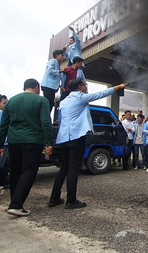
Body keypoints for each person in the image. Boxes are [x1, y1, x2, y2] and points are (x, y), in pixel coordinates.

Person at [48, 78, 126, 209]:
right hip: (76, 137)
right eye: (85, 85)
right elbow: (100, 94)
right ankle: (71, 201)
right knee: (73, 169)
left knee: (64, 168)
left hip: (63, 138)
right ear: (79, 87)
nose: (86, 87)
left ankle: (54, 198)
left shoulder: (64, 101)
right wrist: (118, 87)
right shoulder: (79, 97)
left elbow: (60, 120)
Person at [0, 79, 54, 216]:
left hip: (14, 141)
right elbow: (45, 122)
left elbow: (3, 125)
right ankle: (16, 204)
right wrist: (49, 143)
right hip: (33, 141)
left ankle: (14, 202)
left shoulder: (11, 101)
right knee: (29, 171)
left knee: (16, 171)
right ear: (37, 87)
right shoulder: (41, 101)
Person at [41, 49, 65, 115]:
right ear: (57, 56)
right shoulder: (52, 61)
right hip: (48, 86)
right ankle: (44, 118)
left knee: (51, 104)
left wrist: (60, 86)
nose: (63, 57)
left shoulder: (57, 64)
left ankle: (46, 117)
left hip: (52, 87)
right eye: (62, 55)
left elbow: (56, 78)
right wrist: (60, 71)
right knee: (48, 104)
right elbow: (50, 71)